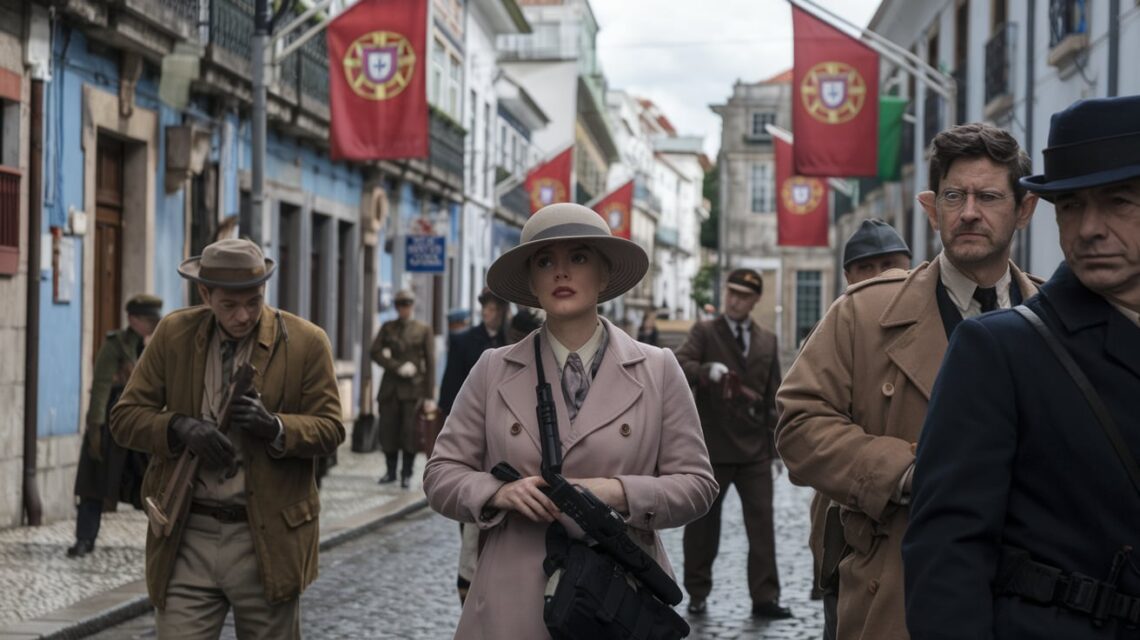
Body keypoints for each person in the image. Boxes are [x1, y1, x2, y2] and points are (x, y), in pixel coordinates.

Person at [775, 122, 1042, 640]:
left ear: (1024, 209)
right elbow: (799, 425)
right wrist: (908, 472)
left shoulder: (1053, 319)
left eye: (988, 196)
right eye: (953, 196)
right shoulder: (864, 312)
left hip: (1026, 598)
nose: (968, 212)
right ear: (930, 207)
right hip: (897, 593)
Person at [423, 202, 718, 638]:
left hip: (618, 601)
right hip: (512, 602)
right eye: (546, 261)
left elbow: (697, 485)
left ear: (603, 273)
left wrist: (616, 492)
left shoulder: (658, 368)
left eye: (578, 258)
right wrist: (499, 492)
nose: (561, 273)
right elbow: (440, 475)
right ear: (531, 281)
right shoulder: (492, 369)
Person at [904, 96, 1140, 639]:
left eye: (1118, 202)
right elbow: (946, 554)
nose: (1088, 229)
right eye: (1072, 206)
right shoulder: (1000, 348)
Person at [110, 238, 345, 638]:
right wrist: (178, 427)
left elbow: (331, 428)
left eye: (253, 302)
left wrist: (274, 426)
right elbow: (124, 418)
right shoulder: (174, 334)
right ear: (205, 294)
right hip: (187, 535)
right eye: (229, 305)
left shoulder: (306, 342)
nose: (243, 316)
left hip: (266, 538)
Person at [805, 219, 911, 638]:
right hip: (847, 512)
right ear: (849, 275)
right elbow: (805, 427)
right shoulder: (835, 328)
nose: (879, 276)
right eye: (866, 268)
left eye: (889, 264)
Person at [675, 268, 791, 619]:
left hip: (754, 448)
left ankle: (765, 598)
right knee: (702, 527)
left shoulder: (767, 340)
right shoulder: (706, 331)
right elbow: (679, 362)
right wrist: (704, 370)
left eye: (743, 295)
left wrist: (776, 451)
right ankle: (696, 592)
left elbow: (775, 396)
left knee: (762, 525)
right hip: (712, 447)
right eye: (731, 293)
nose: (735, 300)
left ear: (755, 300)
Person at [68, 294, 163, 558]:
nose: (152, 325)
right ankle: (85, 539)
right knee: (94, 483)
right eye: (147, 320)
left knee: (155, 486)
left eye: (154, 320)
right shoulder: (115, 346)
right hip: (112, 421)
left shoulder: (159, 345)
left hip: (144, 421)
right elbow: (100, 387)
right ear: (132, 319)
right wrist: (95, 427)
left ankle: (163, 540)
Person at [438, 286, 510, 604]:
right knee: (470, 521)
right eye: (484, 307)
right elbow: (449, 391)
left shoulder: (517, 341)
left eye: (492, 308)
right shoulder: (465, 341)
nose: (487, 313)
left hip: (507, 444)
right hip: (473, 443)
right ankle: (472, 584)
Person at [371, 288, 436, 488]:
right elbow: (375, 351)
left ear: (412, 306)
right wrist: (396, 366)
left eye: (407, 305)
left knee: (409, 434)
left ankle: (406, 474)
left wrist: (429, 396)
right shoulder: (388, 327)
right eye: (400, 306)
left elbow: (430, 363)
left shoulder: (423, 329)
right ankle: (390, 472)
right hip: (390, 388)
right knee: (388, 431)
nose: (403, 309)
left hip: (413, 390)